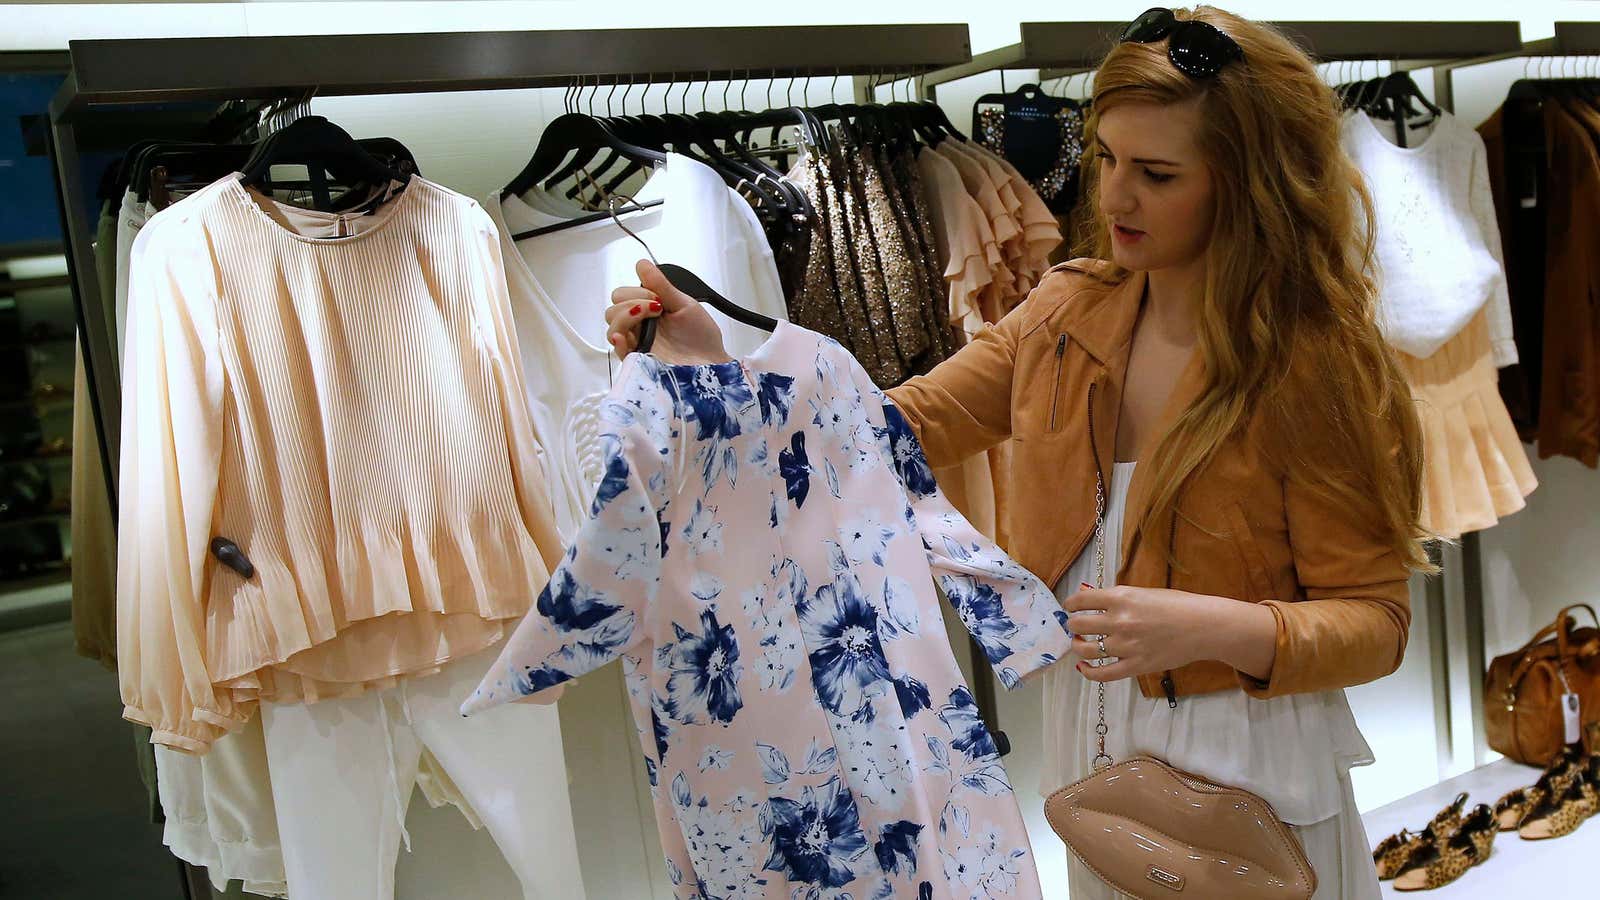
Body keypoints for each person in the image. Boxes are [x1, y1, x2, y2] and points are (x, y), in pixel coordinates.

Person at [603, 7, 1429, 896]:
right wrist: (711, 364)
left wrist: (1210, 626)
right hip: (1094, 743)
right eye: (1106, 157)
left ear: (1250, 183)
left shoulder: (1311, 367)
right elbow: (873, 431)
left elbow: (1375, 625)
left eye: (1156, 173)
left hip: (1248, 760)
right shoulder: (1068, 314)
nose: (1112, 197)